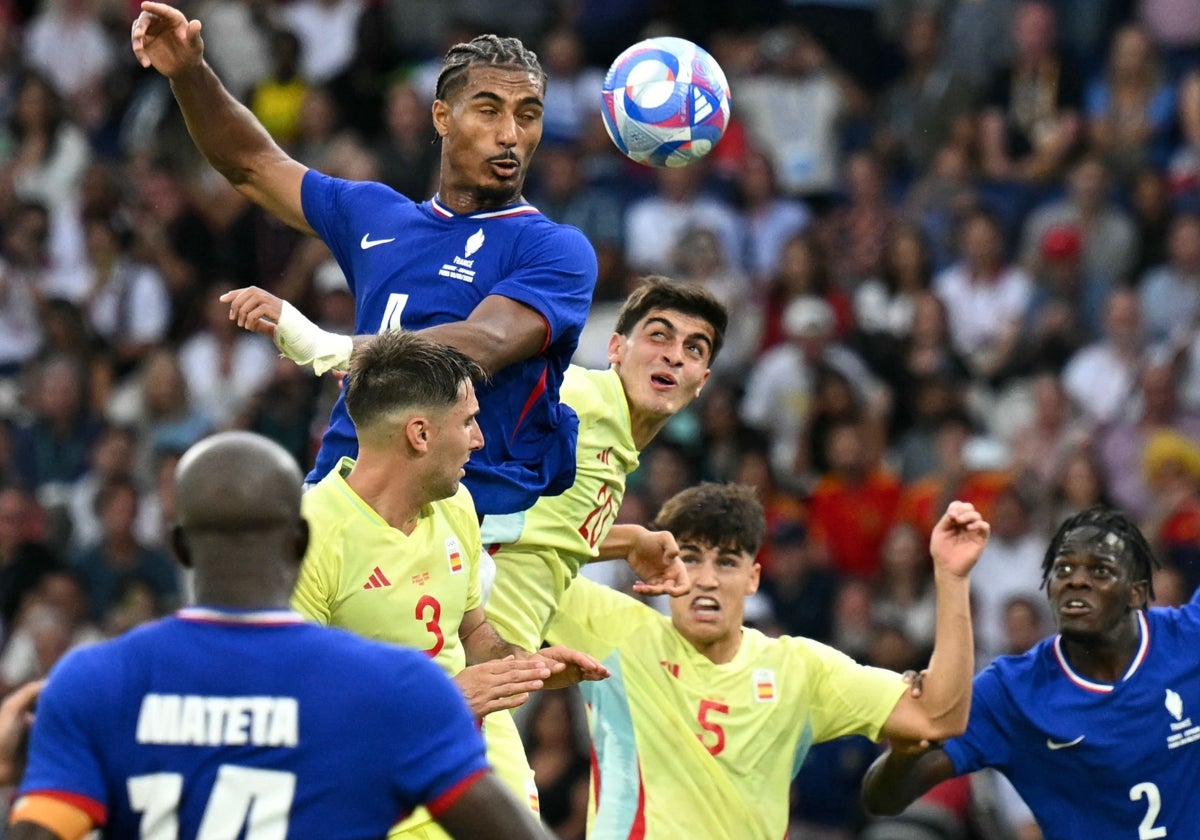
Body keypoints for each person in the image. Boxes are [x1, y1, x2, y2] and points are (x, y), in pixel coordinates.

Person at [132, 2, 597, 522]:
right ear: (442, 117)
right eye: (489, 110)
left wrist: (333, 347)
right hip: (341, 492)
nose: (510, 133)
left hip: (462, 517)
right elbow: (251, 164)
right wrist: (190, 74)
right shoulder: (375, 214)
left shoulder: (555, 248)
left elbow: (484, 342)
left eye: (527, 115)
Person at [6, 431, 549, 840]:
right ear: (298, 542)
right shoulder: (397, 691)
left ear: (178, 547)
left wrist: (9, 766)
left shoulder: (94, 683)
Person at [291, 330, 607, 838]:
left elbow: (473, 633)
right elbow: (297, 707)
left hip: (468, 766)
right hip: (373, 792)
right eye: (468, 421)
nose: (479, 439)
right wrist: (443, 699)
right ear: (419, 434)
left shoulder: (455, 505)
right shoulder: (311, 536)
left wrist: (523, 666)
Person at [545, 483, 989, 839]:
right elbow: (508, 549)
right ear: (664, 565)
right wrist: (625, 540)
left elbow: (938, 716)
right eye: (690, 558)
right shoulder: (617, 630)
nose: (706, 581)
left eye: (727, 562)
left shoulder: (798, 669)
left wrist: (952, 578)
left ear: (753, 578)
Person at [861, 505, 1200, 839]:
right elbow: (882, 799)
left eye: (1100, 571)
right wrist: (906, 753)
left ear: (1136, 592)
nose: (1076, 581)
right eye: (1063, 569)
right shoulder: (1011, 691)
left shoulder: (1189, 636)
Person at [486, 276, 728, 655]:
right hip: (458, 646)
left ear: (702, 381)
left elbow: (537, 529)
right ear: (616, 348)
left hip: (499, 664)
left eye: (694, 349)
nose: (675, 355)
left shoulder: (617, 448)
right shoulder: (576, 397)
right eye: (658, 336)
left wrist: (626, 542)